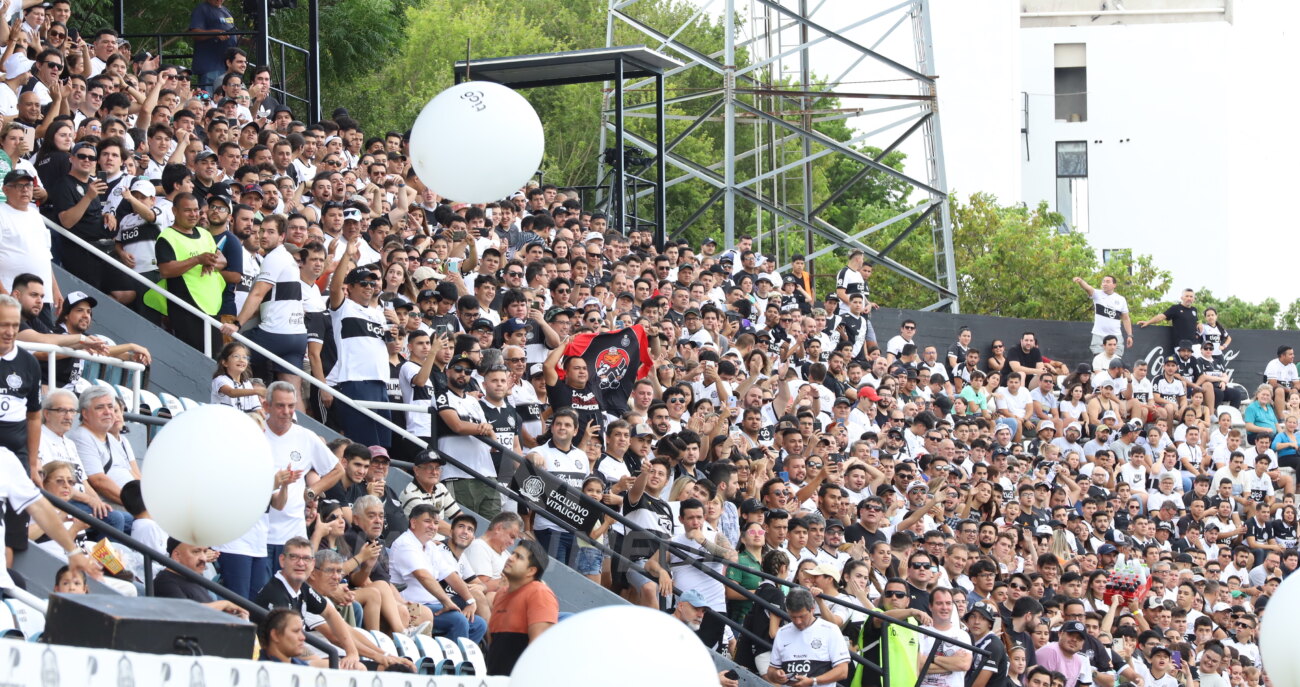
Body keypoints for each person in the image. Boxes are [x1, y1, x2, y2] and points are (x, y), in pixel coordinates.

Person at [254, 536, 364, 670]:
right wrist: (317, 661)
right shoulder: (275, 594)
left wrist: (352, 652)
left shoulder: (302, 586)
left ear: (312, 564)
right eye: (294, 557)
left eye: (306, 558)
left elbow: (330, 612)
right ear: (282, 560)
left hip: (294, 659)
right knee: (355, 669)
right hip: (275, 665)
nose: (301, 563)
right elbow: (285, 645)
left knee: (355, 666)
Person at [388, 503, 487, 643]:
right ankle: (451, 662)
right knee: (458, 620)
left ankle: (446, 655)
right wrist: (447, 601)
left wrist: (470, 600)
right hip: (410, 607)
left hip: (433, 606)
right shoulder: (405, 543)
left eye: (435, 523)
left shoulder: (431, 546)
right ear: (413, 523)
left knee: (478, 624)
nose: (433, 526)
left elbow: (451, 574)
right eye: (427, 521)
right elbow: (423, 576)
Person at [146, 192, 225, 352]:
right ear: (175, 211)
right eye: (187, 210)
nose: (193, 214)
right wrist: (197, 260)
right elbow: (166, 270)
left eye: (196, 210)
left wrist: (211, 261)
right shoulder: (167, 237)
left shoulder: (205, 234)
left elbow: (223, 261)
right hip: (186, 309)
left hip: (211, 305)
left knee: (215, 355)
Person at [485, 539, 558, 675]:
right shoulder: (500, 594)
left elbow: (539, 648)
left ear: (531, 571)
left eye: (519, 557)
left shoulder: (539, 593)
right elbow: (493, 642)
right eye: (513, 553)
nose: (510, 558)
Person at [766, 587, 851, 687]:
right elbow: (771, 670)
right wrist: (776, 675)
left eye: (802, 616)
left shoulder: (830, 630)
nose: (798, 621)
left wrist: (813, 681)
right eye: (793, 616)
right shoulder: (782, 632)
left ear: (812, 609)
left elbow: (842, 671)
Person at [154, 538, 251, 619]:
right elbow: (184, 613)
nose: (203, 558)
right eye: (196, 552)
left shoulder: (195, 577)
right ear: (177, 555)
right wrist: (223, 605)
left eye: (205, 552)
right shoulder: (165, 581)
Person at [1072, 275, 1133, 357]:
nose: (1104, 284)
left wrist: (1129, 335)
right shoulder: (1097, 294)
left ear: (1114, 285)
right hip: (1099, 335)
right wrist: (1081, 281)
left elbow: (1126, 318)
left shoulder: (1121, 299)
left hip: (1116, 336)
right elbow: (1088, 288)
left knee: (1115, 364)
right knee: (1099, 362)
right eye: (1103, 281)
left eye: (1108, 282)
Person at [1034, 620, 1089, 687]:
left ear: (1083, 644)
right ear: (1060, 634)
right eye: (1071, 635)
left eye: (1079, 638)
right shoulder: (1050, 651)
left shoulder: (1078, 660)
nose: (1074, 640)